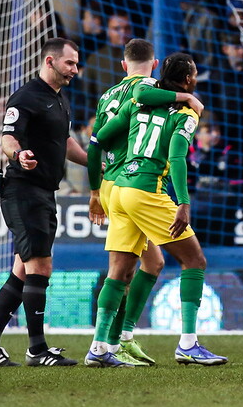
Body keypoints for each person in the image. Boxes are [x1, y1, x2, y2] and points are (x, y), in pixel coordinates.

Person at [87, 52, 227, 367]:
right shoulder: (186, 113)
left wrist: (96, 187)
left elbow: (97, 140)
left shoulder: (140, 102)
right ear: (190, 79)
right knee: (194, 259)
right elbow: (178, 157)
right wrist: (184, 203)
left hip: (119, 189)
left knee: (121, 270)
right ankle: (188, 344)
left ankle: (100, 348)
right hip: (147, 190)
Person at [0, 38, 89, 367]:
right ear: (50, 61)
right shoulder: (25, 97)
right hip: (23, 190)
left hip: (43, 191)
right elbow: (8, 137)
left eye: (77, 64)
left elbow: (64, 142)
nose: (75, 70)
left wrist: (96, 164)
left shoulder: (59, 99)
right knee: (40, 267)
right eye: (70, 63)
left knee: (22, 271)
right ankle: (37, 349)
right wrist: (19, 154)